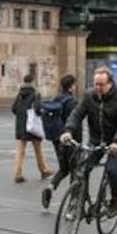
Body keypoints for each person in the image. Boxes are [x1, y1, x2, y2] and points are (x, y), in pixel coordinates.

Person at [60, 66, 117, 219]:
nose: (98, 88)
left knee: (112, 170)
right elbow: (77, 114)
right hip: (96, 142)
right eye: (96, 84)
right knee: (81, 170)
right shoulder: (89, 96)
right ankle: (78, 202)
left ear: (110, 83)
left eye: (101, 84)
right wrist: (68, 131)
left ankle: (115, 199)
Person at [41, 74, 77, 209]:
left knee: (63, 168)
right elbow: (74, 122)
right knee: (75, 169)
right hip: (69, 140)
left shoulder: (56, 98)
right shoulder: (72, 102)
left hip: (56, 139)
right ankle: (72, 200)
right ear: (71, 86)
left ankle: (50, 187)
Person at [12, 73, 53, 183]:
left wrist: (21, 116)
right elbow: (38, 109)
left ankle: (18, 173)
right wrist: (44, 113)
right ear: (32, 82)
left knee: (20, 150)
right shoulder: (35, 94)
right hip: (32, 125)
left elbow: (14, 108)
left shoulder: (20, 93)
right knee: (38, 148)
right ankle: (44, 169)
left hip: (21, 125)